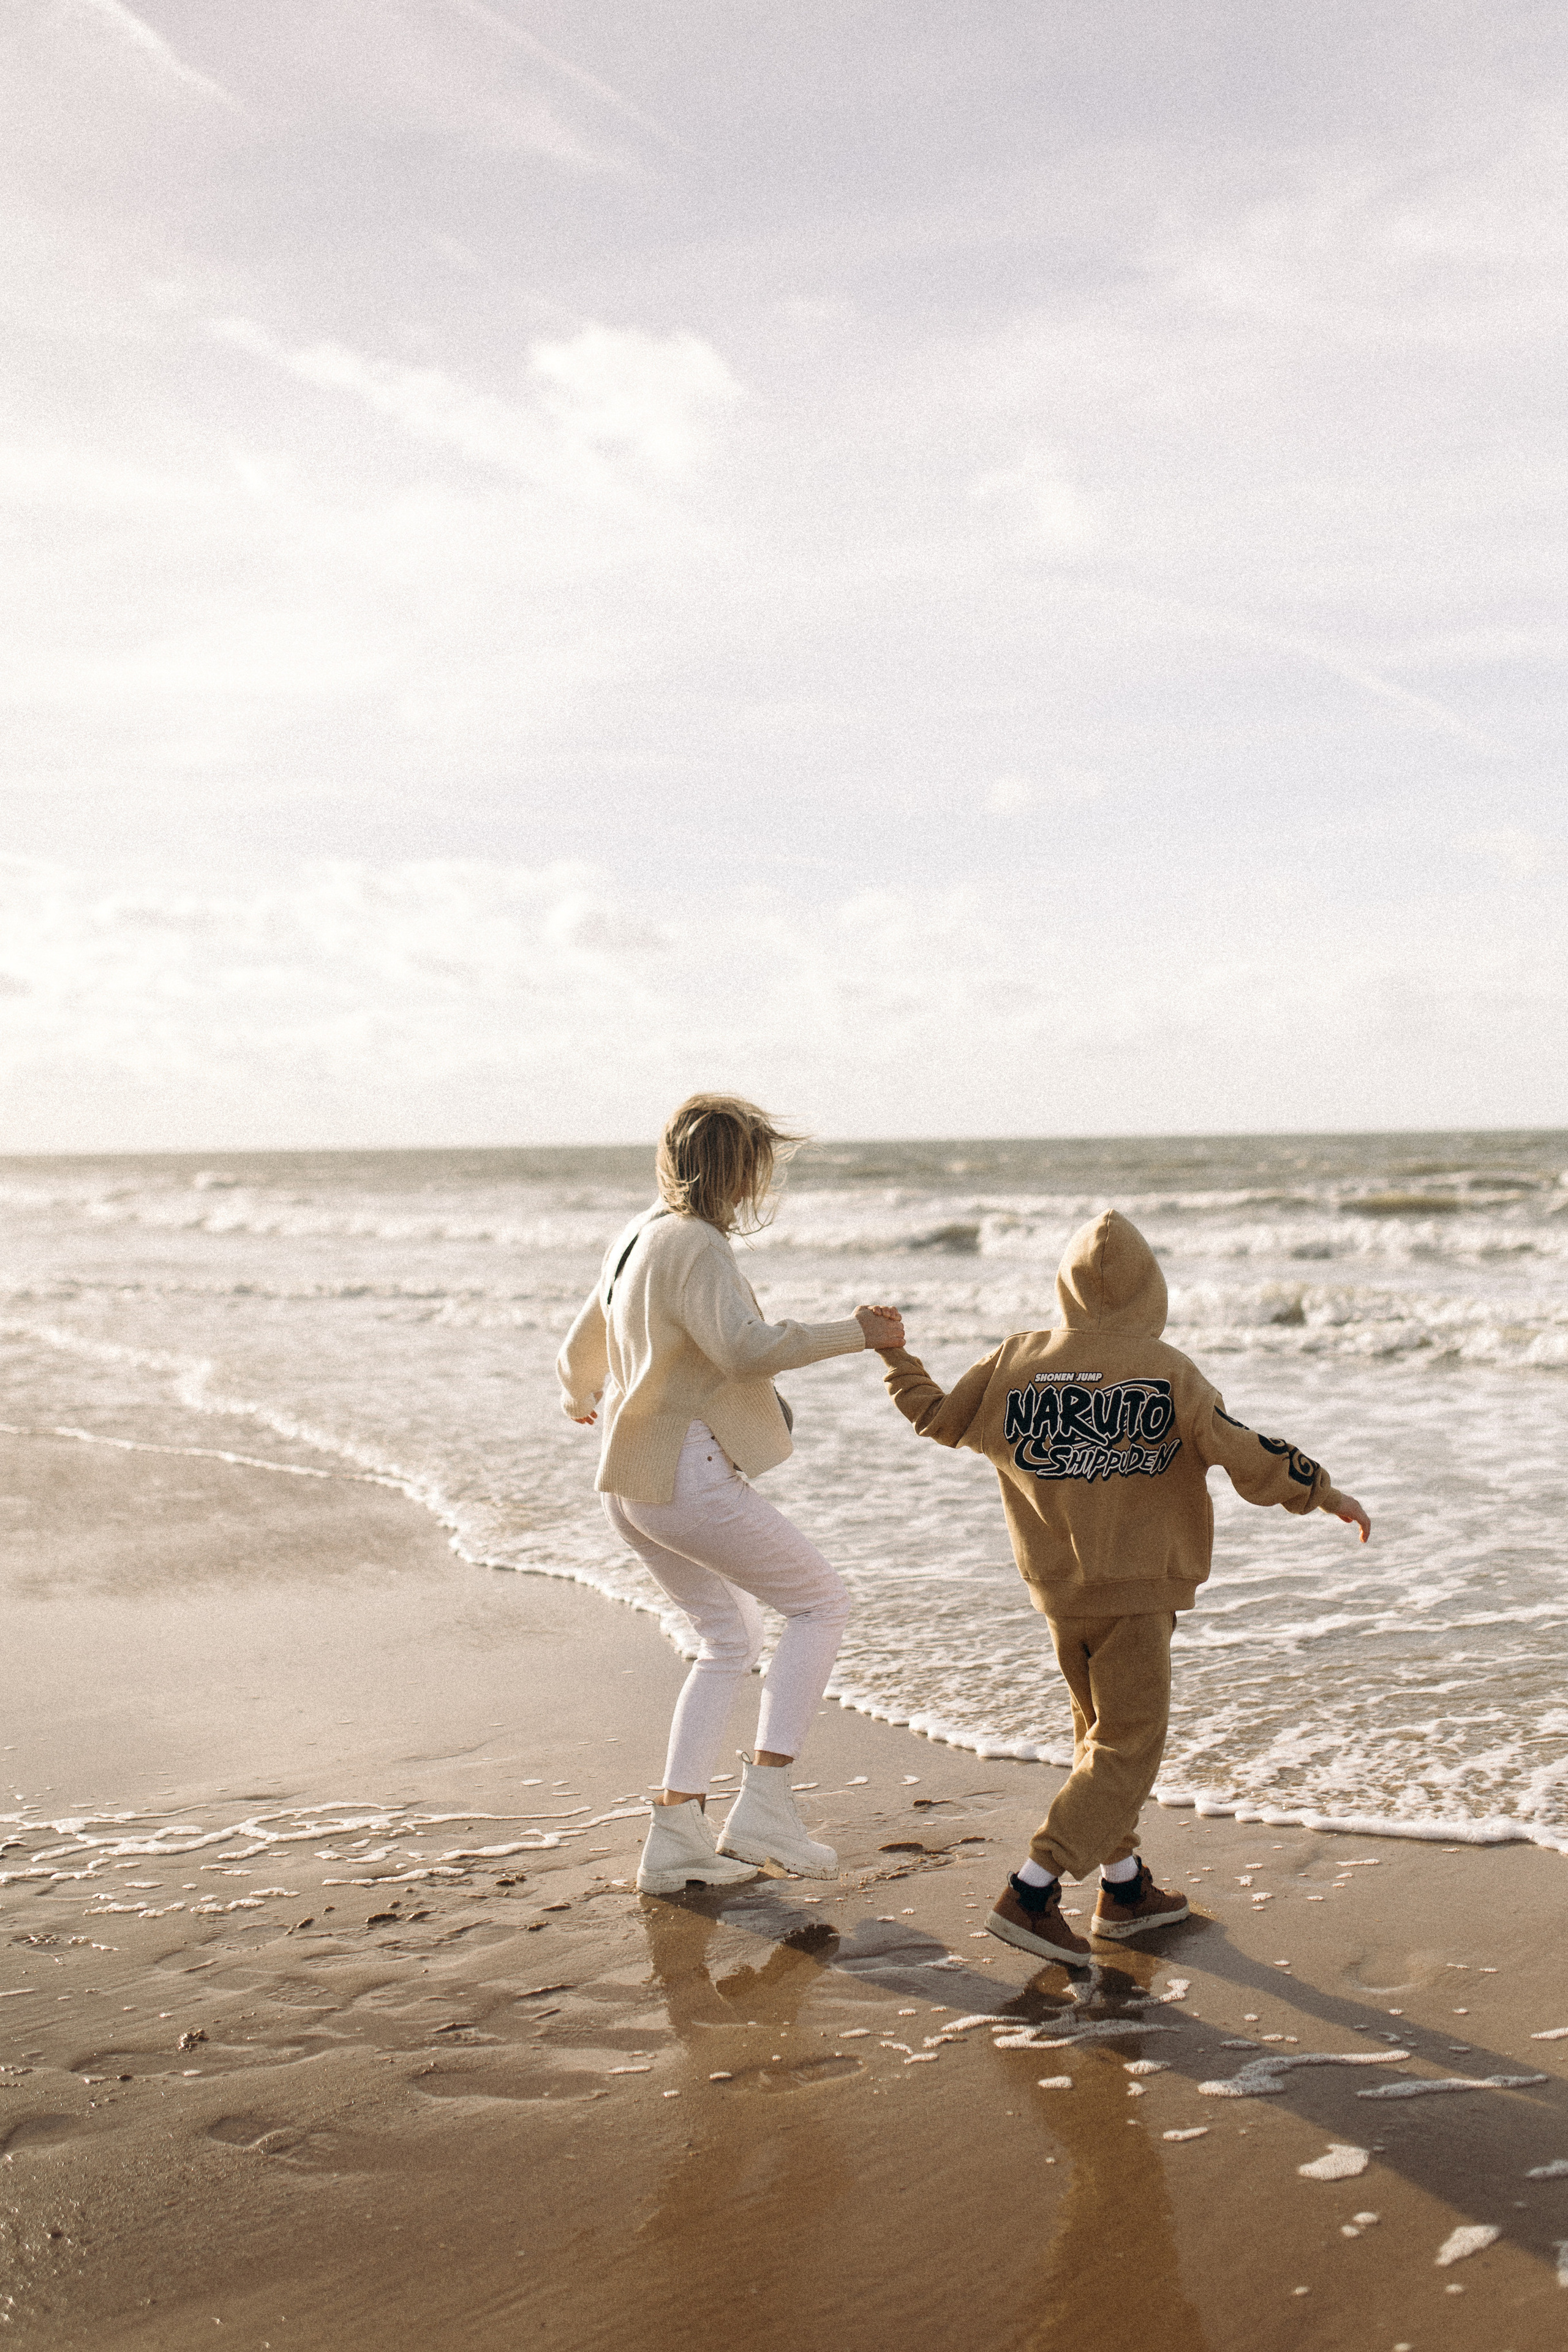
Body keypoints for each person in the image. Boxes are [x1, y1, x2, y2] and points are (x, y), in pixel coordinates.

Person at [877, 1207, 1371, 1966]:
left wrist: (897, 1360)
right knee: (1127, 1747)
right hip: (1138, 1593)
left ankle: (1125, 1886)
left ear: (1066, 1289)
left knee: (1096, 1736)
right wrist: (1320, 1491)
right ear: (1152, 1290)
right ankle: (1033, 1890)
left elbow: (939, 1420)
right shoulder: (1167, 1368)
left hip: (1058, 1592)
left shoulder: (1017, 1359)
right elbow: (1242, 1450)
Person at [557, 1093, 904, 1896]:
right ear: (735, 1167)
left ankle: (677, 1838)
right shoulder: (698, 1243)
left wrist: (579, 1395)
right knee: (822, 1604)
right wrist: (863, 1333)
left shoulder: (640, 1234)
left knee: (727, 1642)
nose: (763, 1179)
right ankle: (766, 1812)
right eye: (759, 1163)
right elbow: (745, 1351)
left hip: (633, 1480)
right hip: (687, 1479)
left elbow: (585, 1339)